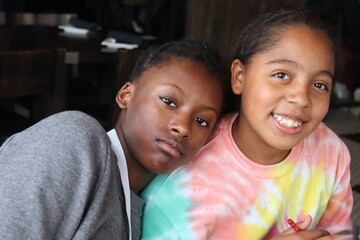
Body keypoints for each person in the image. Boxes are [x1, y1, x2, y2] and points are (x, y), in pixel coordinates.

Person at [140, 8, 353, 240]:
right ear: (239, 77)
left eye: (320, 85)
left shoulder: (330, 151)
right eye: (282, 75)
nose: (301, 98)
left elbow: (339, 234)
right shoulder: (180, 197)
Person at [0, 39, 226, 240]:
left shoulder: (142, 219)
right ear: (125, 95)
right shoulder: (74, 140)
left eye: (202, 121)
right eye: (169, 101)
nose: (183, 127)